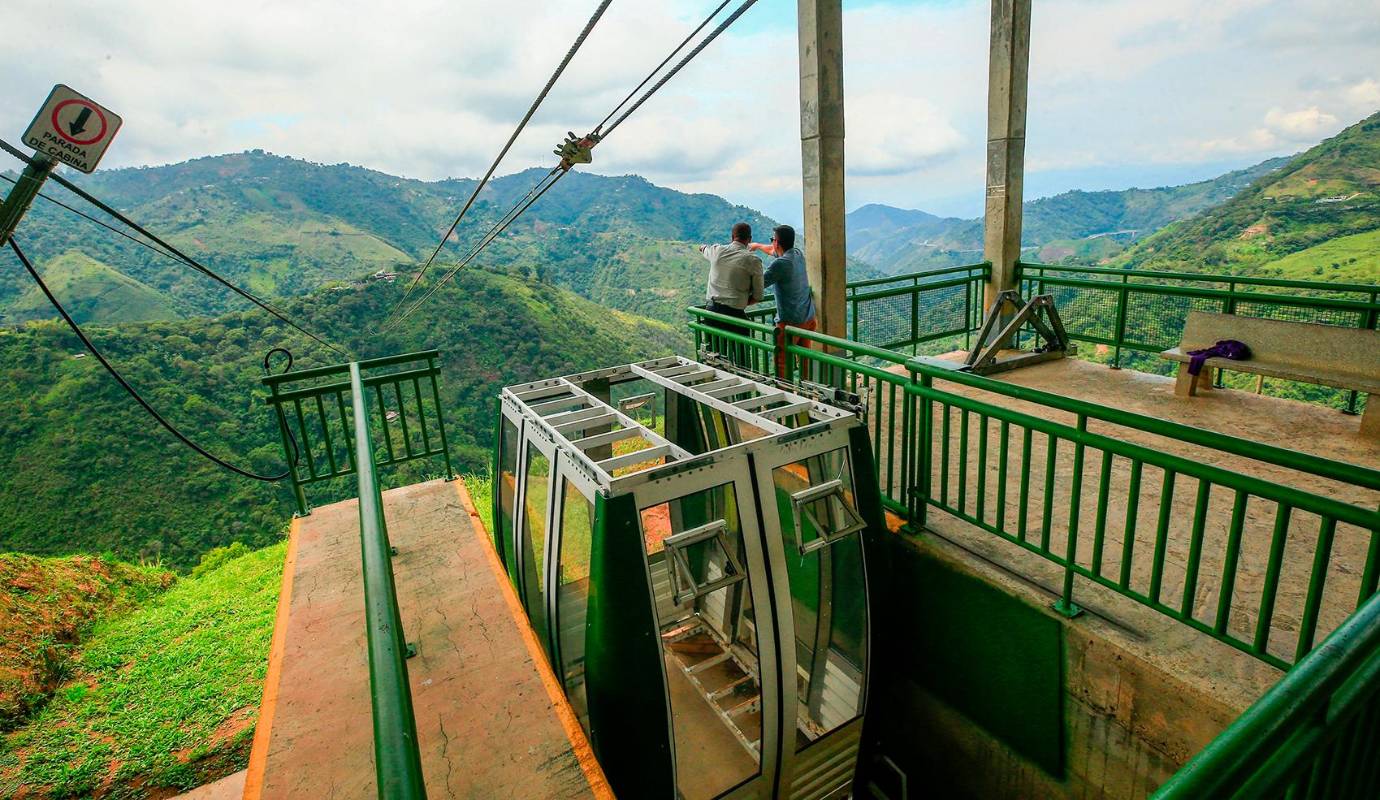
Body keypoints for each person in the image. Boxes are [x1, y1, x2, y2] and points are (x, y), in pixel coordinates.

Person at [752, 225, 816, 378]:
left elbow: (758, 286)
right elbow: (772, 251)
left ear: (777, 243)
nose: (772, 243)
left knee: (782, 363)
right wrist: (756, 246)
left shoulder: (780, 264)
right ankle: (806, 395)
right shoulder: (797, 254)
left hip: (790, 323)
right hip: (808, 318)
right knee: (805, 361)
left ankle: (785, 399)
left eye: (772, 240)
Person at [699, 222, 764, 357]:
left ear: (732, 237)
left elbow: (704, 249)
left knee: (715, 356)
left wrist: (703, 247)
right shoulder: (753, 260)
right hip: (735, 316)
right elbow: (758, 295)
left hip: (712, 313)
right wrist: (743, 301)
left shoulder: (717, 251)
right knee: (741, 358)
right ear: (749, 239)